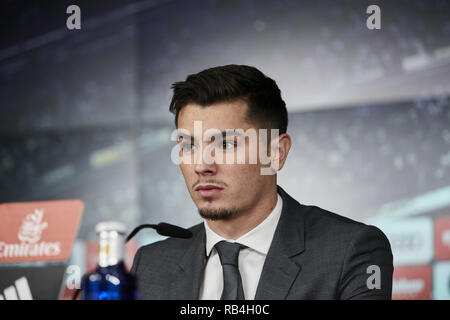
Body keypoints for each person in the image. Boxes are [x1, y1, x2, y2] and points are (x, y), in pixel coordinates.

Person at [130, 64, 393, 300]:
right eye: (188, 145)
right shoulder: (151, 264)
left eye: (225, 144)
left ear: (276, 153)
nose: (201, 165)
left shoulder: (351, 250)